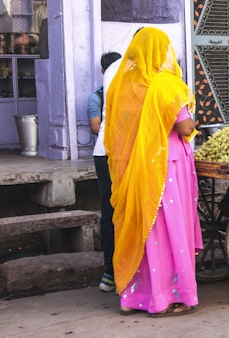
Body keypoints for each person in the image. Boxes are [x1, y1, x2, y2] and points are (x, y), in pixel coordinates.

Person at [104, 27, 202, 317]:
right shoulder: (166, 85)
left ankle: (133, 298)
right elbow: (184, 127)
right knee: (170, 228)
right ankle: (172, 297)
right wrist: (195, 122)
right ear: (161, 52)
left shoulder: (123, 86)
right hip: (166, 166)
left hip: (134, 168)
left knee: (142, 229)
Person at [86, 51, 122, 292]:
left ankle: (111, 273)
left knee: (110, 211)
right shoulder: (132, 71)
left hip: (106, 150)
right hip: (117, 151)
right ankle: (113, 271)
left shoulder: (113, 73)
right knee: (117, 211)